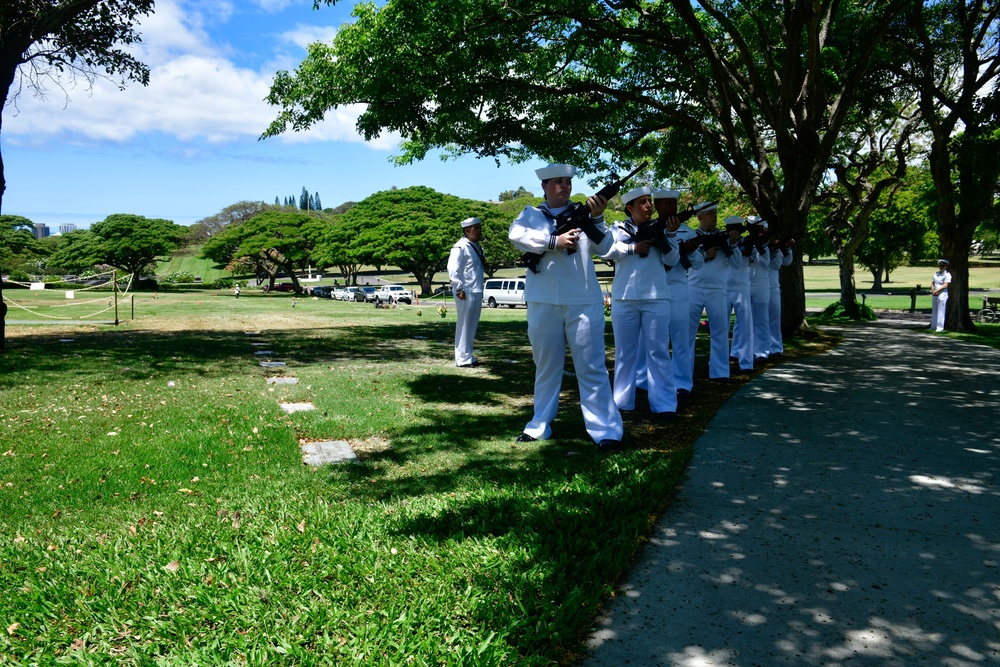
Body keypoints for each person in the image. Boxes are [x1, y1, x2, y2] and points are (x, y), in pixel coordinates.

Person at [508, 163, 623, 450]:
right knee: (546, 366)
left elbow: (607, 248)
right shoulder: (532, 214)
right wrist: (552, 241)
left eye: (568, 182)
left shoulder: (586, 214)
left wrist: (597, 218)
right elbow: (516, 235)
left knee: (592, 366)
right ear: (544, 187)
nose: (564, 186)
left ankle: (605, 429)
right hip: (543, 300)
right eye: (557, 182)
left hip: (583, 300)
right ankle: (539, 425)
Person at [601, 186, 680, 416]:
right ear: (630, 208)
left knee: (658, 352)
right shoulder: (618, 229)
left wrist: (671, 236)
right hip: (625, 298)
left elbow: (673, 259)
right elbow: (605, 251)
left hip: (656, 298)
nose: (649, 206)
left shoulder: (660, 229)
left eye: (649, 201)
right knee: (625, 353)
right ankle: (622, 402)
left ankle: (664, 404)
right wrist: (632, 248)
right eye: (642, 202)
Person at [653, 188, 703, 397]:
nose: (671, 207)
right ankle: (654, 382)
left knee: (681, 339)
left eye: (673, 203)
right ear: (657, 206)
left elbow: (699, 263)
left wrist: (690, 252)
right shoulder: (650, 228)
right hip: (655, 289)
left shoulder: (688, 231)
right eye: (666, 203)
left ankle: (682, 382)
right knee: (656, 341)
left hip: (678, 287)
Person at [687, 204, 741, 381]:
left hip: (717, 288)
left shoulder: (723, 237)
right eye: (710, 214)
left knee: (720, 331)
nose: (714, 216)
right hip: (693, 287)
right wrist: (704, 253)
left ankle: (720, 372)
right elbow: (685, 259)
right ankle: (684, 372)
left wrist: (733, 244)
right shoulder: (691, 236)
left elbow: (737, 263)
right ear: (700, 217)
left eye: (715, 213)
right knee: (688, 333)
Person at [447, 217, 486, 367]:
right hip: (465, 291)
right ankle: (461, 358)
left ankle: (468, 355)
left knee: (472, 325)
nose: (480, 230)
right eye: (476, 228)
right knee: (464, 324)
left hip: (476, 289)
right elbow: (453, 269)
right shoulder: (460, 247)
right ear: (467, 230)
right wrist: (458, 288)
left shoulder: (476, 246)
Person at [724, 215, 754, 373]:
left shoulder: (747, 242)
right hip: (724, 287)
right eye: (731, 229)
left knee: (745, 327)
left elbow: (749, 255)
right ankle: (719, 362)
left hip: (742, 287)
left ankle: (747, 362)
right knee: (721, 327)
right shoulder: (723, 241)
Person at [745, 217, 772, 362]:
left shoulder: (765, 245)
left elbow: (766, 262)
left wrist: (759, 245)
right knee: (744, 321)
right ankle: (743, 351)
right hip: (744, 284)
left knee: (761, 320)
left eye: (759, 230)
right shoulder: (743, 242)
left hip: (761, 285)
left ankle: (762, 351)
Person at [768, 237, 794, 356]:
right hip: (754, 285)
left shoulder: (775, 248)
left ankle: (776, 347)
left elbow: (787, 261)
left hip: (773, 285)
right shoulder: (754, 245)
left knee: (774, 318)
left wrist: (786, 247)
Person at [931, 259, 951, 332]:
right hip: (935, 293)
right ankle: (933, 326)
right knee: (935, 310)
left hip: (942, 293)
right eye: (940, 266)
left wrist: (936, 291)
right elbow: (933, 283)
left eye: (943, 266)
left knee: (941, 311)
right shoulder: (936, 274)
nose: (941, 267)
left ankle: (940, 327)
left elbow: (945, 285)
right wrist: (933, 291)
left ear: (946, 266)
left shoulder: (947, 274)